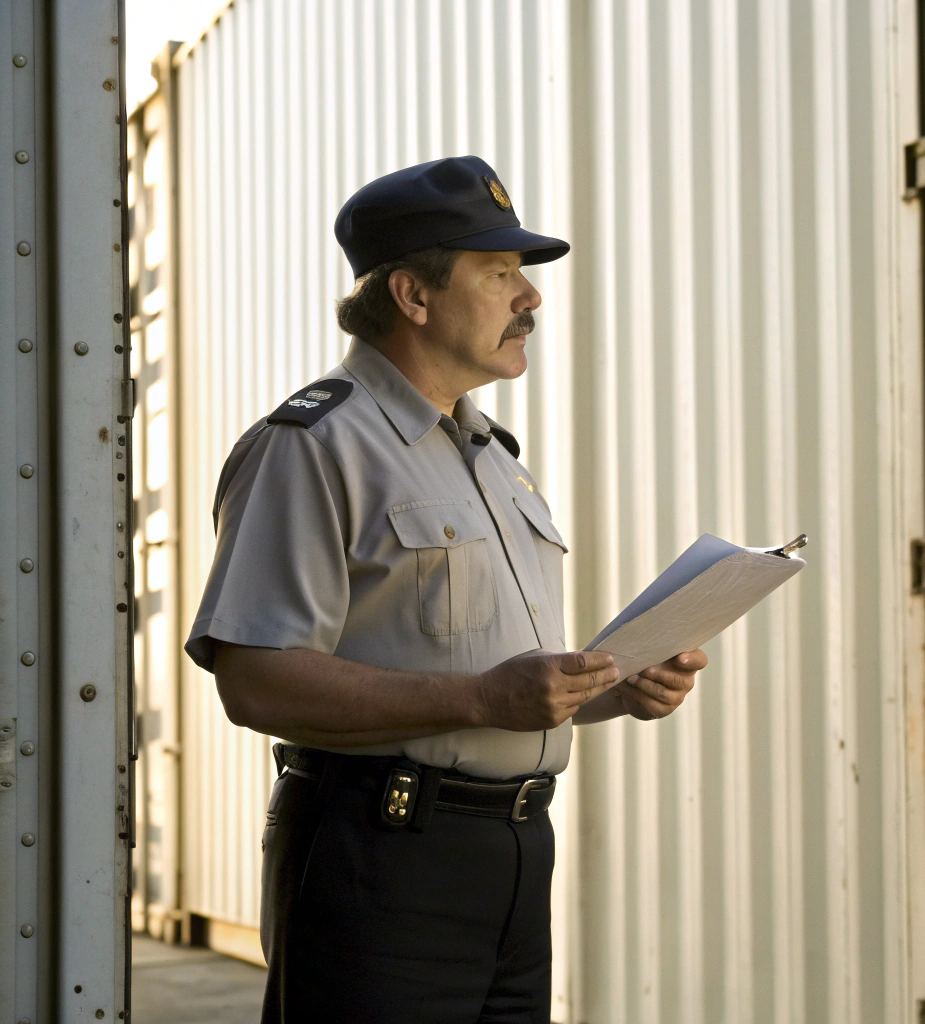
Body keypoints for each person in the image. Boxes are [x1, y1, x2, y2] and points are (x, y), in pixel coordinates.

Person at [184, 155, 706, 1023]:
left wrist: (609, 690)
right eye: (499, 274)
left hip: (511, 858)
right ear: (413, 297)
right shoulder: (314, 445)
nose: (529, 299)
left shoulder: (491, 456)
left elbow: (488, 680)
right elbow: (254, 678)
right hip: (380, 859)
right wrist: (480, 696)